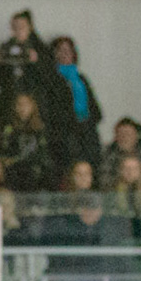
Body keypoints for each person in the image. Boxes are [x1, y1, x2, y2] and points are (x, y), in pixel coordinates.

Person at [0, 10, 51, 134]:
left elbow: (48, 79)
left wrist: (36, 62)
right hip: (8, 104)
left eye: (21, 27)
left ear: (30, 28)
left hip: (34, 106)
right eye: (14, 27)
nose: (18, 31)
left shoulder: (41, 49)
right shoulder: (5, 48)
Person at [46, 37, 102, 178]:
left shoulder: (81, 78)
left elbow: (94, 107)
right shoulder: (51, 79)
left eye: (68, 50)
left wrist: (89, 121)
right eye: (60, 50)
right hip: (65, 136)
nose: (65, 54)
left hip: (87, 133)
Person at [0, 91, 51, 192]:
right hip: (15, 174)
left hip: (35, 174)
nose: (22, 108)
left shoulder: (40, 130)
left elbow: (43, 154)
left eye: (26, 104)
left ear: (33, 106)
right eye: (19, 105)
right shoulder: (9, 130)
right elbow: (6, 152)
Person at [99, 118, 141, 189]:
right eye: (121, 134)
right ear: (115, 137)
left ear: (136, 135)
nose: (125, 138)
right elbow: (104, 182)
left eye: (129, 134)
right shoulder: (107, 154)